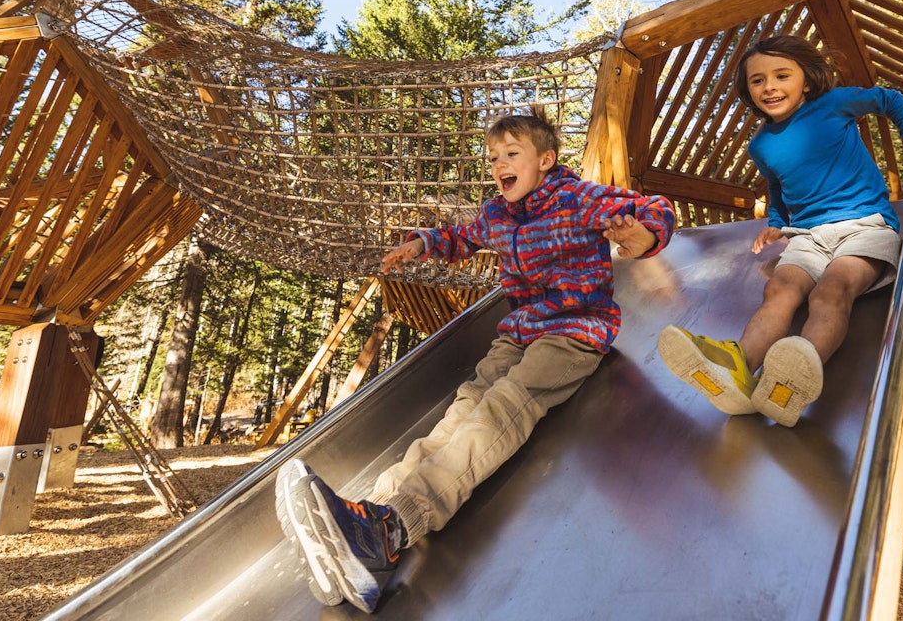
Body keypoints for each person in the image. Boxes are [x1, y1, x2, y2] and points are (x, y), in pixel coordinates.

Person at [275, 106, 675, 612]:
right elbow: (464, 236)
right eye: (493, 157)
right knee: (462, 409)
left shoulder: (579, 199)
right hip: (520, 330)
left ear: (546, 160)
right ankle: (367, 518)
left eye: (512, 154)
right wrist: (424, 242)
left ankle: (396, 526)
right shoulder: (498, 213)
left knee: (505, 404)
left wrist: (644, 236)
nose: (499, 164)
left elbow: (655, 206)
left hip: (576, 329)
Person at [658, 34, 903, 427]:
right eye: (757, 81)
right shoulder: (761, 146)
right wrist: (777, 225)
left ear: (807, 79)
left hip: (864, 225)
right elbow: (778, 187)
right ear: (748, 91)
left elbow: (891, 100)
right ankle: (738, 370)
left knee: (831, 290)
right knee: (779, 290)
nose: (769, 87)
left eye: (782, 75)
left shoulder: (832, 105)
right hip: (808, 236)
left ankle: (796, 377)